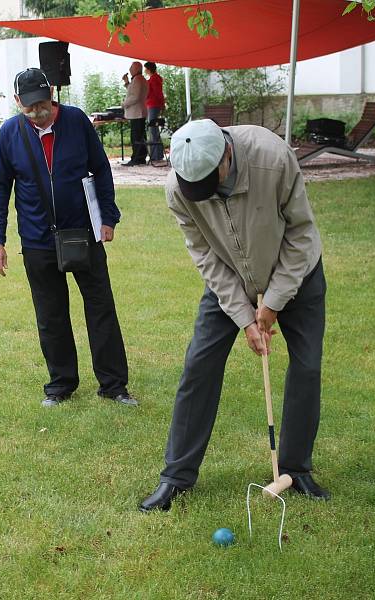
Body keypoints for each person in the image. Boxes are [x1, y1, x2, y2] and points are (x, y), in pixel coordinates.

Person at [139, 119, 329, 512]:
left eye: (211, 180)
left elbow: (301, 233)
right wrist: (245, 317)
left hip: (296, 272)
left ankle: (295, 469)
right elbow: (204, 253)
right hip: (230, 277)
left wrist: (273, 302)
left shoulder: (273, 158)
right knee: (199, 365)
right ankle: (176, 475)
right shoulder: (179, 188)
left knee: (307, 366)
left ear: (227, 155)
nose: (202, 192)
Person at [0, 68, 138, 408]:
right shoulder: (10, 134)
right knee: (51, 315)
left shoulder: (77, 121)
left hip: (83, 232)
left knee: (101, 308)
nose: (37, 112)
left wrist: (108, 217)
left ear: (52, 96)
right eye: (29, 107)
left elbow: (100, 168)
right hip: (38, 240)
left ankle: (114, 385)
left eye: (42, 104)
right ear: (17, 103)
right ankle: (61, 385)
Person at [121, 61, 148, 166]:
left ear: (137, 69)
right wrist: (127, 82)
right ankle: (140, 157)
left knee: (136, 137)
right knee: (139, 136)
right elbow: (132, 92)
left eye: (131, 68)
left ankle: (137, 158)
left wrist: (124, 104)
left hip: (136, 112)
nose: (130, 70)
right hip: (138, 112)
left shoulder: (138, 80)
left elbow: (135, 97)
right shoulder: (139, 79)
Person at [144, 61, 165, 164]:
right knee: (154, 130)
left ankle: (156, 155)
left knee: (153, 129)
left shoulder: (153, 79)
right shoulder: (155, 78)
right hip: (153, 105)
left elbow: (157, 93)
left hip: (153, 105)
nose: (144, 70)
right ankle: (157, 154)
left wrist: (162, 103)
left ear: (148, 69)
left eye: (145, 68)